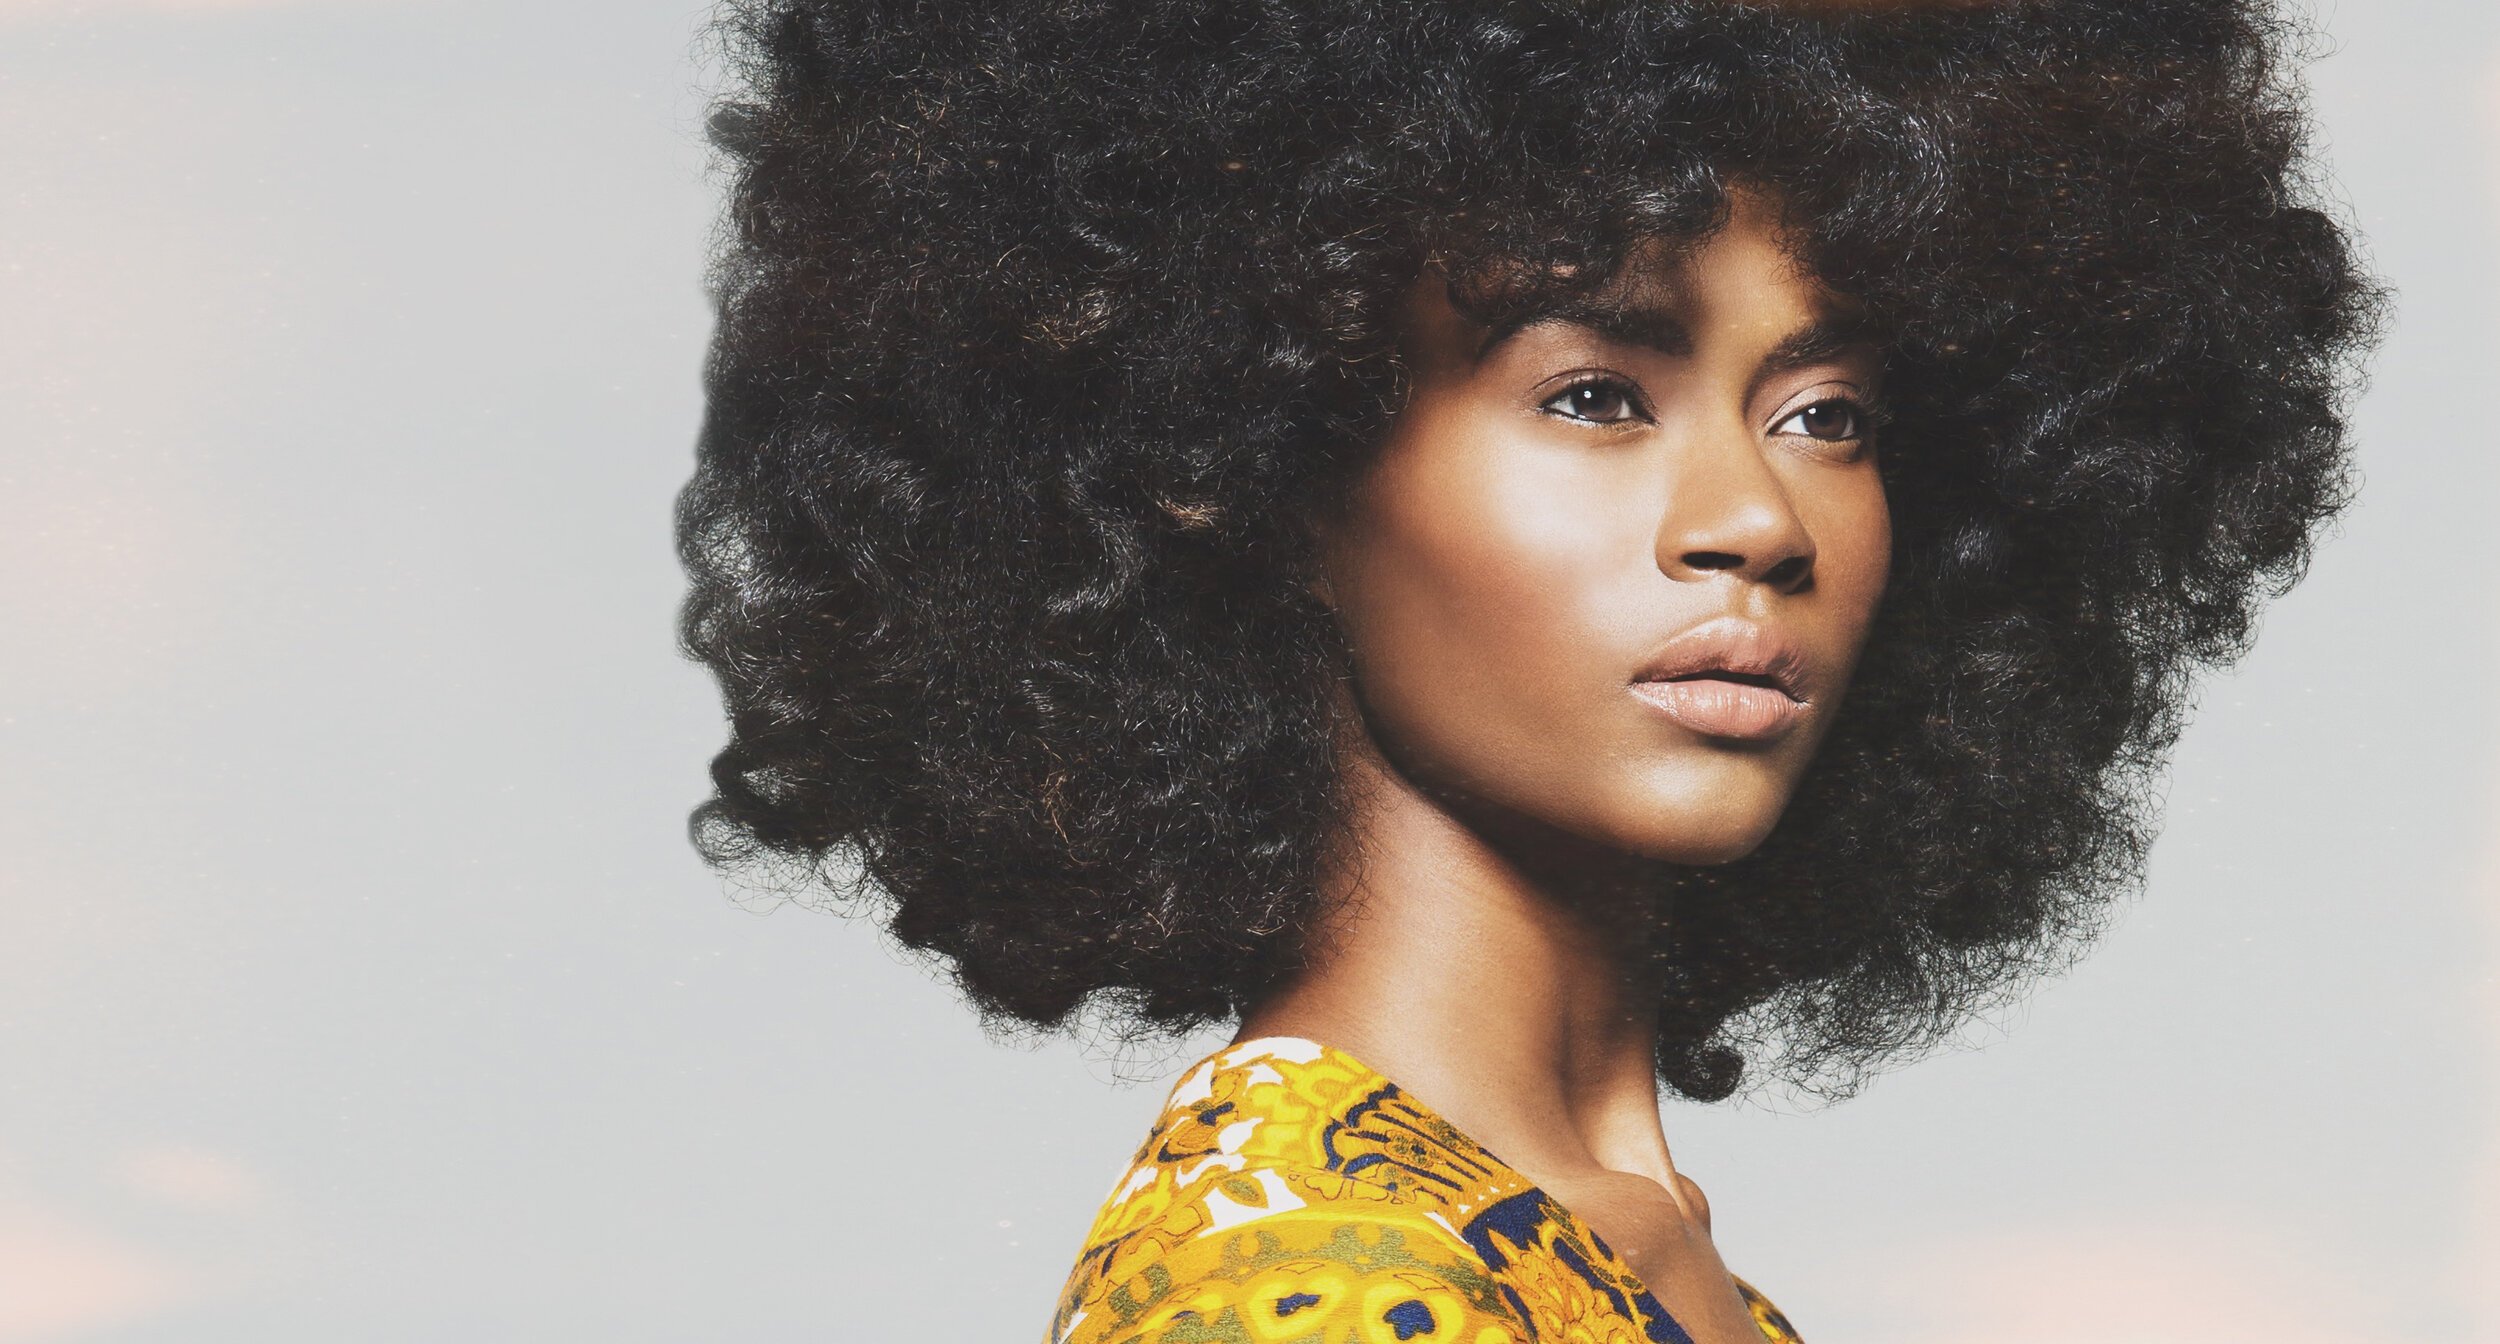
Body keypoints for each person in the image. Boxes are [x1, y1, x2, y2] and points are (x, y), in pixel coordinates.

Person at [677, 1, 2381, 1339]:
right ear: (1256, 463)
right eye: (1593, 394)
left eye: (1826, 416)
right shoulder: (1314, 1289)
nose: (1753, 519)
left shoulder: (1614, 1248)